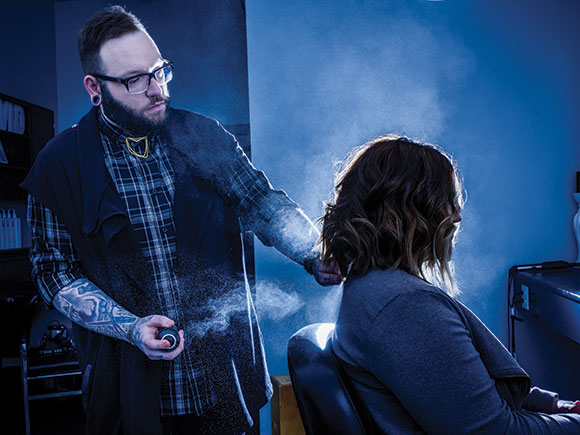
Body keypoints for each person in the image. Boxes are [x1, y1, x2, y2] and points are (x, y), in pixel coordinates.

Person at [22, 5, 340, 435]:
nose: (157, 90)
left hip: (224, 382)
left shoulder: (203, 135)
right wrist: (132, 327)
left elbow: (261, 202)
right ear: (95, 88)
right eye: (135, 79)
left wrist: (313, 252)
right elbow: (54, 274)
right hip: (129, 395)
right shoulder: (56, 167)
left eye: (160, 71)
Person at [320, 135, 580, 433]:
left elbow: (450, 386)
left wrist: (551, 405)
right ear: (409, 212)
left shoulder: (372, 288)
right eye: (446, 203)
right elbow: (497, 431)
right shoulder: (405, 308)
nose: (456, 216)